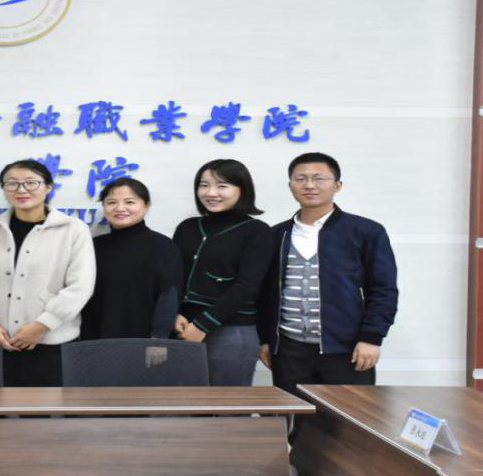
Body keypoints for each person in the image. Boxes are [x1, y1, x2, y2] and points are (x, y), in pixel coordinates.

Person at [259, 152, 398, 397]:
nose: (309, 185)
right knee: (295, 416)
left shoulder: (365, 231)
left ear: (337, 185)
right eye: (301, 178)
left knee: (348, 415)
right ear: (290, 186)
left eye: (319, 178)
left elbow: (383, 289)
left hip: (346, 349)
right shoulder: (276, 235)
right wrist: (266, 339)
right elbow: (264, 293)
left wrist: (372, 338)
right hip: (289, 350)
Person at [0, 159, 95, 386]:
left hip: (50, 342)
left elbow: (80, 286)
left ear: (48, 187)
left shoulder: (73, 229)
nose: (21, 190)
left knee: (44, 408)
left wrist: (42, 325)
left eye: (31, 183)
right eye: (12, 183)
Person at [172, 159, 273, 386]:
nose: (211, 193)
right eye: (204, 185)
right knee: (181, 401)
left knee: (227, 404)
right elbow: (173, 276)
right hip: (182, 328)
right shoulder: (187, 227)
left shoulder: (257, 231)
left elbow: (247, 287)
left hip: (231, 331)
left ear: (242, 189)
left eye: (222, 186)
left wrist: (203, 325)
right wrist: (174, 313)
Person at [80, 178, 182, 340]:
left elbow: (168, 297)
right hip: (94, 339)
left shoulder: (163, 246)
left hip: (143, 341)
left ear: (146, 205)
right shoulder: (92, 246)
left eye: (130, 202)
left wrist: (159, 339)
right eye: (112, 202)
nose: (120, 208)